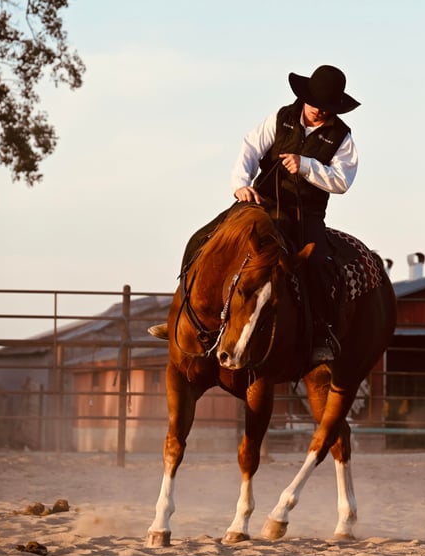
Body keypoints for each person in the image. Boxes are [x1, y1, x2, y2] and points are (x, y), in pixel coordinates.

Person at [150, 64, 360, 363]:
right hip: (261, 202)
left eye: (327, 108)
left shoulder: (341, 137)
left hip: (305, 215)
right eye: (317, 105)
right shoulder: (281, 118)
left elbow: (341, 181)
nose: (320, 112)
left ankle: (320, 334)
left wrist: (305, 166)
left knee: (319, 264)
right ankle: (182, 314)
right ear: (306, 97)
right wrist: (240, 185)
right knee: (201, 239)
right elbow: (250, 147)